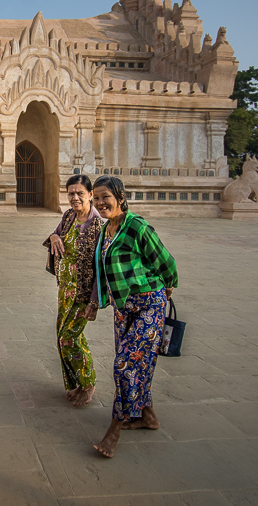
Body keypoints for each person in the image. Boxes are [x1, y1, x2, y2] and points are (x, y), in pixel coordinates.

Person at [90, 175, 177, 457]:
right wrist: (96, 301)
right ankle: (147, 416)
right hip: (123, 308)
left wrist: (168, 285)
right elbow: (104, 269)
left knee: (124, 365)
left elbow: (166, 262)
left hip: (149, 305)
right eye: (97, 197)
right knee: (140, 363)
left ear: (121, 197)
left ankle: (114, 431)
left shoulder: (136, 226)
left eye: (105, 196)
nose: (100, 202)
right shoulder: (107, 230)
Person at [44, 174, 105, 407]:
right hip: (65, 289)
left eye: (80, 193)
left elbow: (101, 267)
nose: (75, 197)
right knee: (68, 336)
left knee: (67, 337)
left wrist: (94, 302)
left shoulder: (98, 224)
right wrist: (54, 236)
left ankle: (88, 384)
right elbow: (56, 233)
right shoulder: (69, 216)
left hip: (83, 293)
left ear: (91, 194)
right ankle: (79, 382)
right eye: (71, 193)